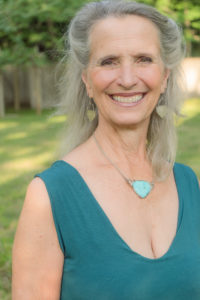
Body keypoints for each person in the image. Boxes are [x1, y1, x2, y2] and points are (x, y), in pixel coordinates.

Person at [12, 1, 200, 299]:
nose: (126, 79)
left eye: (143, 59)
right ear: (86, 80)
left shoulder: (189, 184)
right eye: (108, 61)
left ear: (165, 77)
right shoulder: (51, 195)